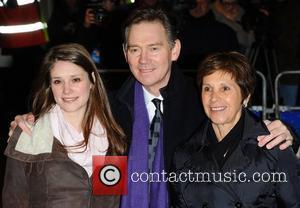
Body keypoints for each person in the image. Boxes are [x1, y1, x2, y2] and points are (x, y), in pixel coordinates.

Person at [8, 8, 295, 208]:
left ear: (174, 50)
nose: (143, 59)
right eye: (135, 49)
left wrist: (287, 130)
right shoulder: (107, 109)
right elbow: (63, 114)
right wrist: (29, 123)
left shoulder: (202, 101)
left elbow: (244, 128)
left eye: (154, 48)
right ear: (125, 53)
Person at [3, 43, 126, 208]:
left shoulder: (113, 138)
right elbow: (14, 202)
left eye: (75, 79)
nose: (66, 90)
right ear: (50, 86)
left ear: (92, 81)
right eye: (58, 81)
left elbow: (112, 202)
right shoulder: (28, 135)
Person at [171, 51, 300, 207]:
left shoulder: (272, 147)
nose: (214, 98)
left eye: (225, 88)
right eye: (207, 88)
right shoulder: (183, 155)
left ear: (245, 96)